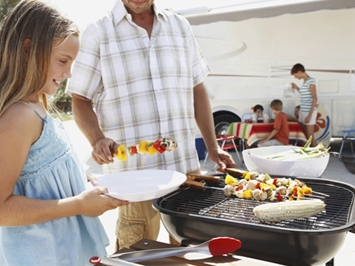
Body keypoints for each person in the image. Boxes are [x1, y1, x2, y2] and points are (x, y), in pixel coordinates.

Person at [66, 0, 236, 250]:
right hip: (134, 181)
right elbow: (80, 99)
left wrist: (212, 147)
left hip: (185, 171)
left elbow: (197, 88)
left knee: (189, 254)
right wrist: (96, 139)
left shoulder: (180, 26)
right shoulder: (98, 32)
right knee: (137, 255)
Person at [0, 1, 128, 265]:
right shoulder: (19, 117)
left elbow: (42, 175)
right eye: (62, 61)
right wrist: (79, 204)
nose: (68, 73)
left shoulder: (37, 106)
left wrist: (80, 181)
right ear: (27, 49)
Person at [291, 63, 318, 147]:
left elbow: (314, 98)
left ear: (299, 72)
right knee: (306, 136)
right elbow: (304, 94)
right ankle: (315, 154)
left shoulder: (311, 81)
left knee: (310, 137)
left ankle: (318, 156)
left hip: (308, 112)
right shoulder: (305, 82)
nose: (295, 77)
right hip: (303, 111)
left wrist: (309, 115)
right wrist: (296, 87)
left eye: (295, 75)